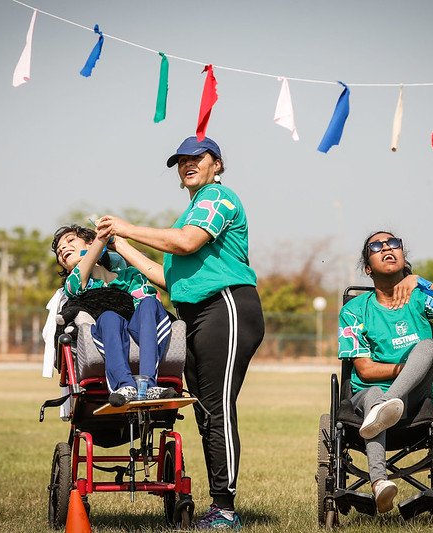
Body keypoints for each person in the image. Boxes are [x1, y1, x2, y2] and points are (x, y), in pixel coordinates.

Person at [96, 136, 265, 530]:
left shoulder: (217, 198)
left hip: (226, 306)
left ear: (216, 164)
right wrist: (120, 243)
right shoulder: (188, 214)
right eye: (181, 160)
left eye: (197, 158)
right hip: (194, 312)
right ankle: (219, 509)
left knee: (218, 408)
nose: (187, 164)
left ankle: (225, 511)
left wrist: (128, 227)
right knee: (205, 413)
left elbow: (188, 243)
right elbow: (166, 279)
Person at [337, 231, 433, 514]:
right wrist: (414, 366)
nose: (387, 247)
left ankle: (384, 407)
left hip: (415, 400)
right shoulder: (354, 310)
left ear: (403, 257)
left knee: (427, 345)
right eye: (377, 246)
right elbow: (365, 369)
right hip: (368, 396)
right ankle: (379, 484)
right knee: (374, 394)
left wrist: (421, 283)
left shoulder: (420, 299)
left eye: (393, 243)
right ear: (368, 268)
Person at [52, 224, 177, 406]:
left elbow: (151, 302)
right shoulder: (74, 284)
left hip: (137, 328)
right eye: (59, 251)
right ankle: (124, 385)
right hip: (107, 332)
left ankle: (149, 385)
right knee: (109, 317)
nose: (63, 249)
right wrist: (101, 239)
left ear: (90, 243)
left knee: (150, 303)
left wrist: (108, 243)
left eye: (70, 240)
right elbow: (76, 283)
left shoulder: (130, 277)